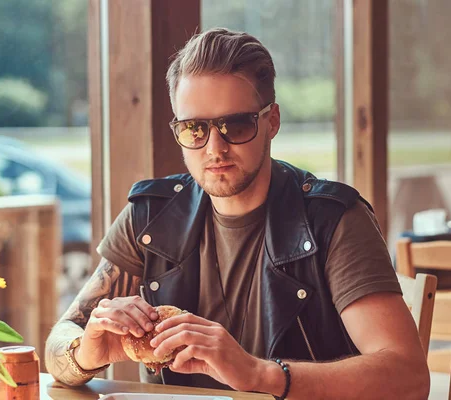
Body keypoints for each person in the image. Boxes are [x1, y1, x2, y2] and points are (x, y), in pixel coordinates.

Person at [45, 28, 430, 399]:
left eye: (236, 124)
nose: (215, 148)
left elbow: (408, 378)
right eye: (195, 129)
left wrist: (259, 374)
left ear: (271, 121)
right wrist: (86, 353)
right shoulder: (150, 218)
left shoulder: (333, 221)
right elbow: (58, 343)